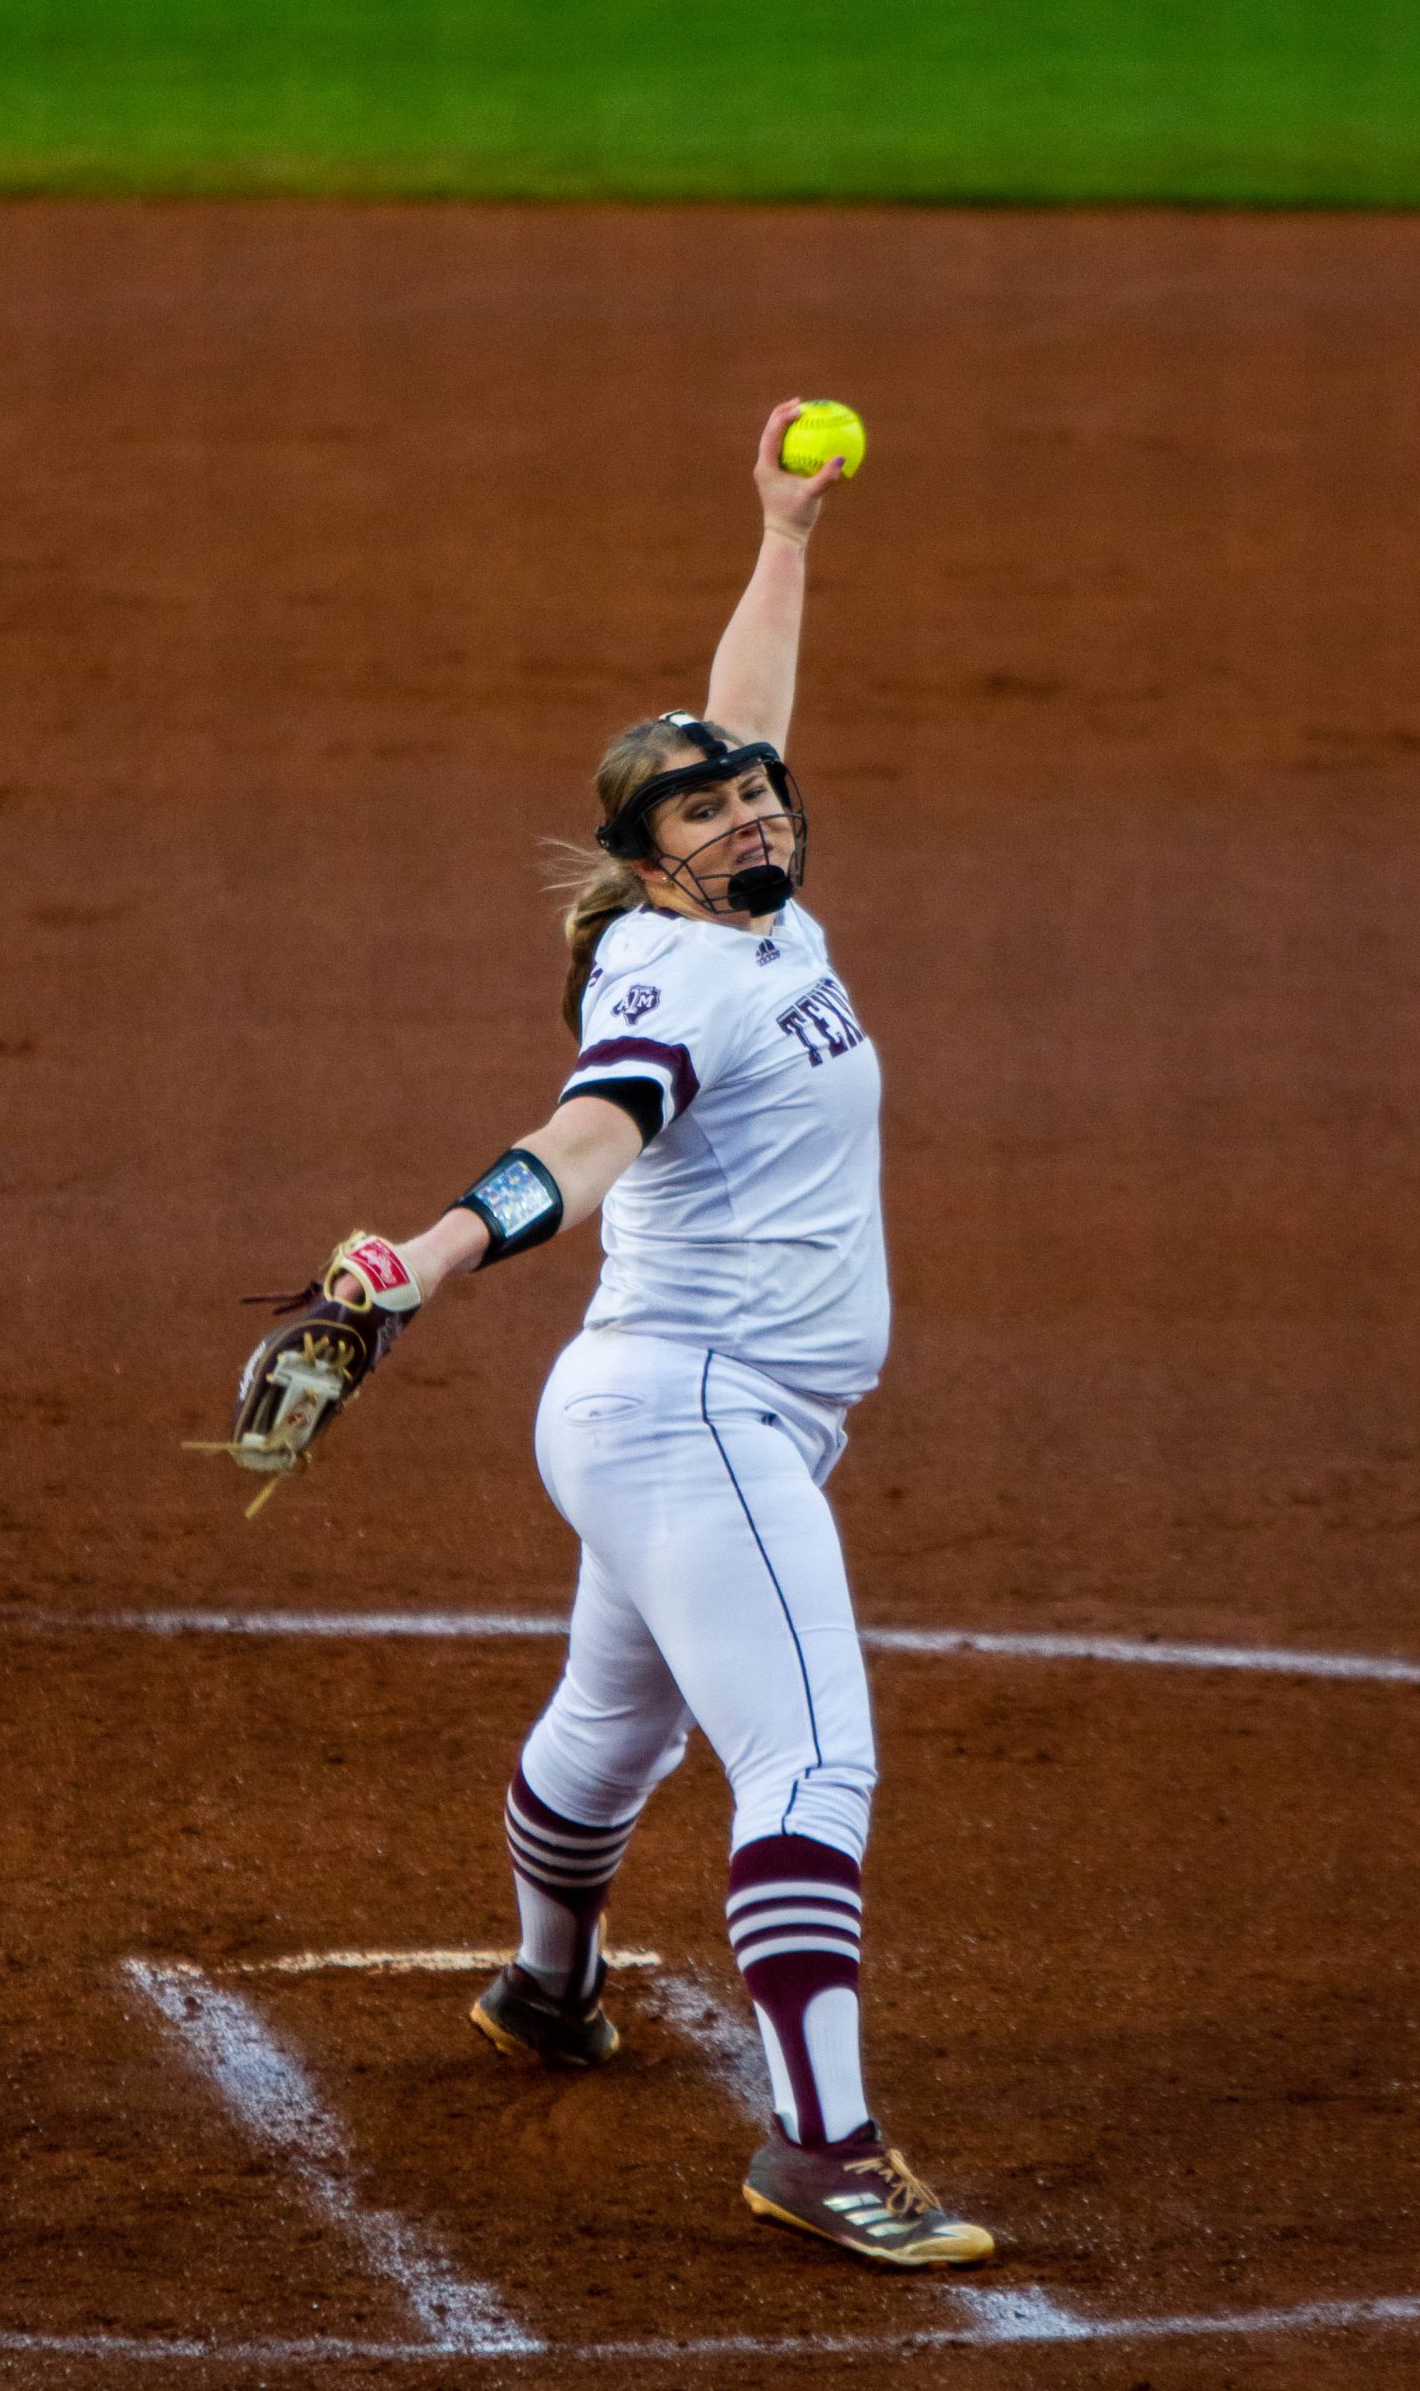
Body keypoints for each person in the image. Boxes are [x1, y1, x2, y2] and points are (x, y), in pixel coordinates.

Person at [329, 402, 995, 2268]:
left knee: (614, 1731)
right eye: (707, 807)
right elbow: (583, 1145)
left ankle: (548, 1991)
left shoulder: (753, 905)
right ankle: (825, 2147)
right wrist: (431, 1254)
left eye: (755, 790)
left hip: (675, 1414)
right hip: (691, 1412)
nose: (753, 808)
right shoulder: (677, 983)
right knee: (810, 1761)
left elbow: (751, 711)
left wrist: (784, 534)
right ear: (649, 867)